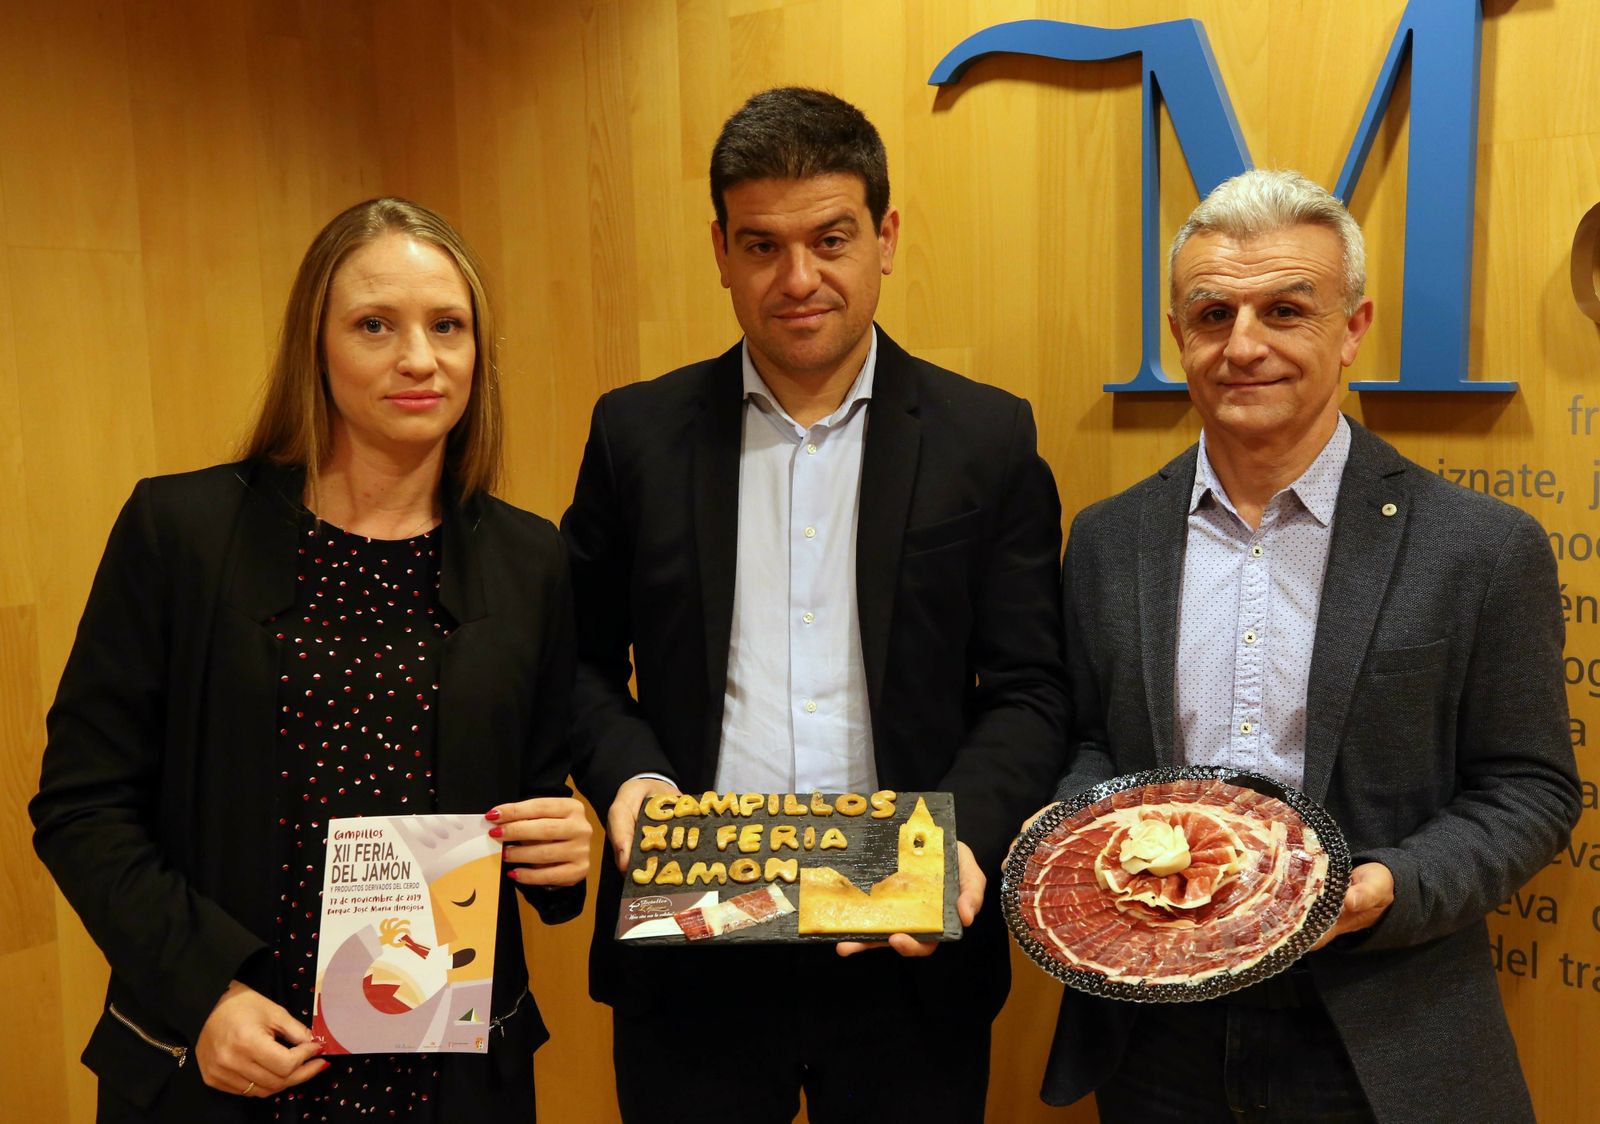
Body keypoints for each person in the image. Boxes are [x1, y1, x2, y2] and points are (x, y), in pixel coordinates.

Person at [562, 87, 1067, 1122]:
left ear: (884, 236)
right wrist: (631, 778)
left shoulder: (986, 439)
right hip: (692, 942)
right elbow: (571, 660)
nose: (798, 279)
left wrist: (955, 845)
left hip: (904, 951)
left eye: (830, 238)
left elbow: (1029, 688)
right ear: (720, 249)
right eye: (762, 246)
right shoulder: (636, 435)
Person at [1037, 168, 1581, 1122]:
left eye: (1286, 310)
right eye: (1213, 316)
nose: (1244, 346)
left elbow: (1529, 790)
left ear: (1354, 329)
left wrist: (1386, 890)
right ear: (1179, 338)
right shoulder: (1108, 538)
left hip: (1382, 1026)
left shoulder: (1482, 549)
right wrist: (1097, 837)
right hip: (1158, 1034)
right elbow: (1090, 740)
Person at [30, 197, 591, 1122]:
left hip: (443, 1077)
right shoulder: (181, 533)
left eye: (447, 326)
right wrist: (203, 993)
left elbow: (532, 806)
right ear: (316, 346)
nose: (420, 358)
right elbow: (83, 805)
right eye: (376, 325)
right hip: (226, 1061)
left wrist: (563, 851)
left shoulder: (531, 560)